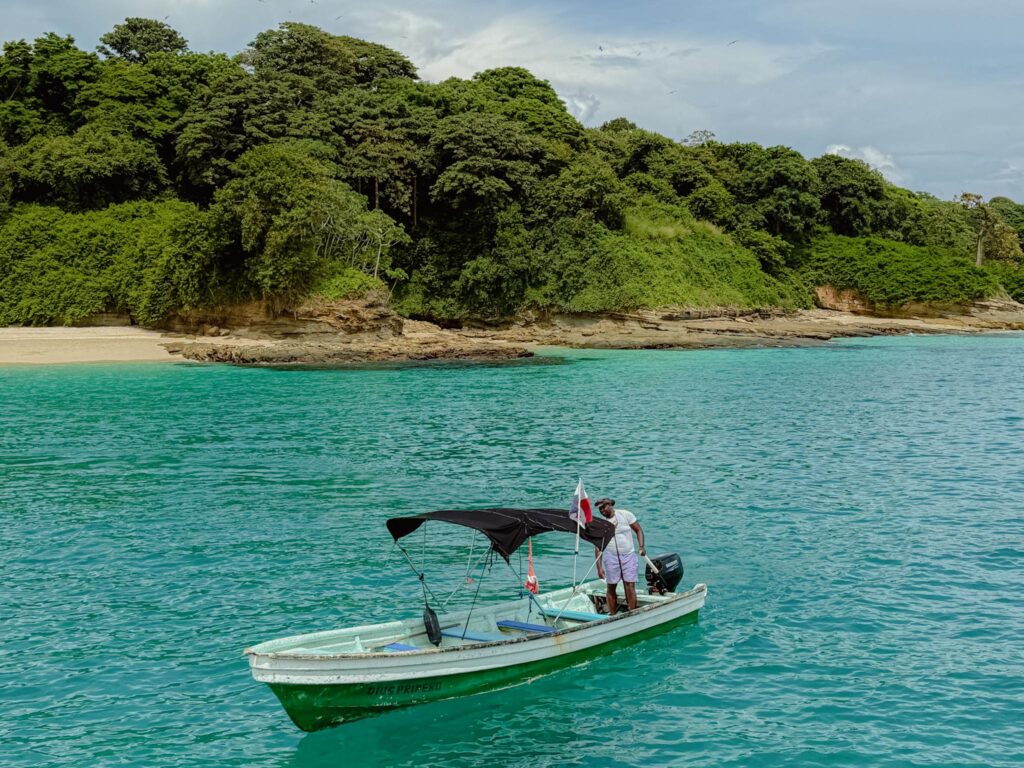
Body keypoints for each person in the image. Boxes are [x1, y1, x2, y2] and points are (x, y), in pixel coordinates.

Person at [593, 497, 645, 613]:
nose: (602, 511)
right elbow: (597, 546)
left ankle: (632, 612)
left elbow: (638, 530)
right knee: (611, 586)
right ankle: (612, 615)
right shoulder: (601, 523)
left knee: (629, 585)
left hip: (628, 555)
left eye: (603, 507)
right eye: (600, 509)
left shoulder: (625, 515)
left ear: (610, 505)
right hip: (611, 557)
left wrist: (641, 546)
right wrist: (599, 568)